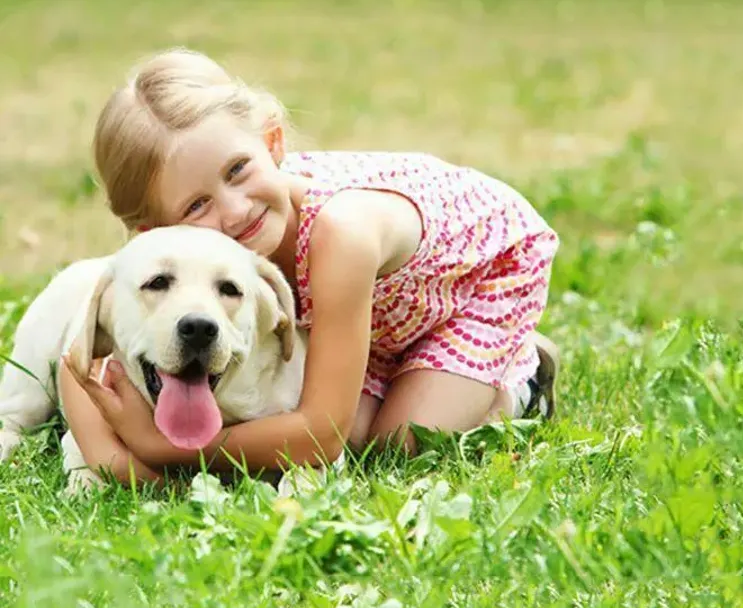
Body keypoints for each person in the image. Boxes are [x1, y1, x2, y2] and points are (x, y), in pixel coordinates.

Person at [60, 48, 560, 485]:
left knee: (396, 443)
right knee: (333, 416)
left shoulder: (343, 233)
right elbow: (76, 360)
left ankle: (521, 376)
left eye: (238, 170)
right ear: (156, 233)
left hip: (474, 278)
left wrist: (160, 448)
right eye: (196, 206)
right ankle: (402, 371)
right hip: (365, 309)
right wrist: (105, 457)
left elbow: (322, 435)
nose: (235, 211)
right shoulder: (172, 268)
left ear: (273, 144)